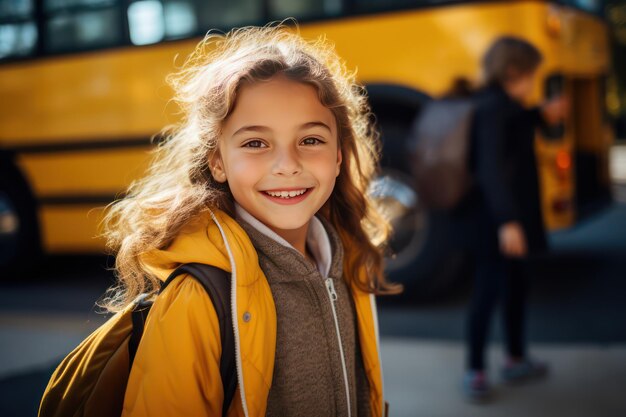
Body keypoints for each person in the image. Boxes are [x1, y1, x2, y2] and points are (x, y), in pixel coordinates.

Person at [100, 23, 400, 417]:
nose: (287, 166)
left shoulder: (348, 259)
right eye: (255, 143)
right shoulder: (196, 299)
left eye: (310, 140)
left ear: (339, 155)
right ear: (218, 161)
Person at [460, 36, 566, 401]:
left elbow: (519, 124)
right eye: (531, 75)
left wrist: (541, 115)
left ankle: (515, 357)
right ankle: (474, 369)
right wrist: (507, 221)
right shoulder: (491, 107)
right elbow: (489, 168)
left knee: (517, 285)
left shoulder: (507, 106)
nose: (534, 84)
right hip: (493, 220)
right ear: (513, 72)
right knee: (488, 290)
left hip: (508, 218)